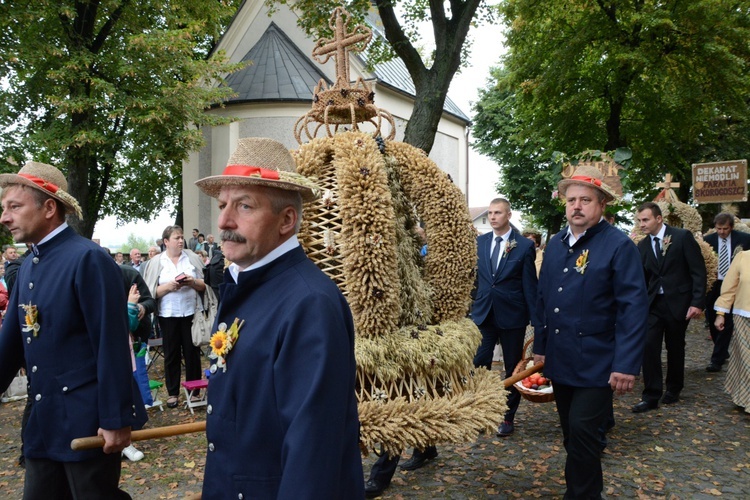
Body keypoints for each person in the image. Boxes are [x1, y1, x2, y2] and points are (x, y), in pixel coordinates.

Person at [195, 137, 363, 499]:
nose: (224, 220)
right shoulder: (244, 284)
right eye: (223, 204)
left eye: (244, 206)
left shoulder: (310, 303)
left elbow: (313, 451)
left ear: (287, 219)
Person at [0, 161, 146, 498]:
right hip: (42, 422)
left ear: (49, 207)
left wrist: (115, 417)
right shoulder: (28, 267)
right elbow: (10, 344)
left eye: (14, 207)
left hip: (86, 422)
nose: (4, 217)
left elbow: (110, 343)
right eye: (4, 208)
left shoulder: (88, 259)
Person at [535, 165, 648, 499]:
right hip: (561, 358)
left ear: (601, 205)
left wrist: (626, 365)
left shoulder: (618, 246)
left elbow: (633, 308)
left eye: (586, 199)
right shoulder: (555, 244)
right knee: (572, 434)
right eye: (572, 199)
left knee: (584, 431)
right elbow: (544, 299)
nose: (577, 206)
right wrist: (541, 346)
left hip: (598, 361)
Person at [473, 198, 539, 438]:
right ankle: (482, 412)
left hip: (513, 315)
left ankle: (507, 416)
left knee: (513, 368)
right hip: (484, 313)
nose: (492, 217)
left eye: (497, 213)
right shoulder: (480, 242)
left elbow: (529, 284)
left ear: (508, 215)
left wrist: (535, 319)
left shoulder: (522, 245)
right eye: (490, 213)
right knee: (479, 362)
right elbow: (478, 278)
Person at [633, 202, 706, 412]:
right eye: (639, 221)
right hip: (653, 305)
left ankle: (674, 388)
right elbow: (643, 279)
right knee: (649, 347)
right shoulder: (643, 245)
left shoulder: (682, 237)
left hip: (679, 303)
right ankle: (651, 395)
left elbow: (698, 271)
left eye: (645, 220)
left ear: (658, 219)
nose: (642, 224)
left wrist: (696, 302)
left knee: (675, 347)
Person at [142, 225, 206, 409]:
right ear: (166, 242)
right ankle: (173, 393)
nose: (180, 241)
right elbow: (149, 292)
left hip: (190, 312)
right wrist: (169, 287)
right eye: (177, 238)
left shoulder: (192, 258)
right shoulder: (156, 262)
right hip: (168, 314)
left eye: (182, 237)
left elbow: (205, 285)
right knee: (171, 354)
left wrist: (192, 282)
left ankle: (195, 392)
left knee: (192, 352)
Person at [703, 213, 750, 372]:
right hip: (714, 284)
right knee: (712, 317)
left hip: (734, 284)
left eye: (725, 229)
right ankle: (722, 350)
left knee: (726, 320)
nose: (722, 232)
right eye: (719, 228)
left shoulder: (744, 239)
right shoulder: (707, 241)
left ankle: (716, 359)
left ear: (731, 227)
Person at [713, 249, 750, 413]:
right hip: (744, 316)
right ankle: (745, 398)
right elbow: (729, 288)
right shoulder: (743, 257)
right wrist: (721, 314)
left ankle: (744, 397)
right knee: (746, 360)